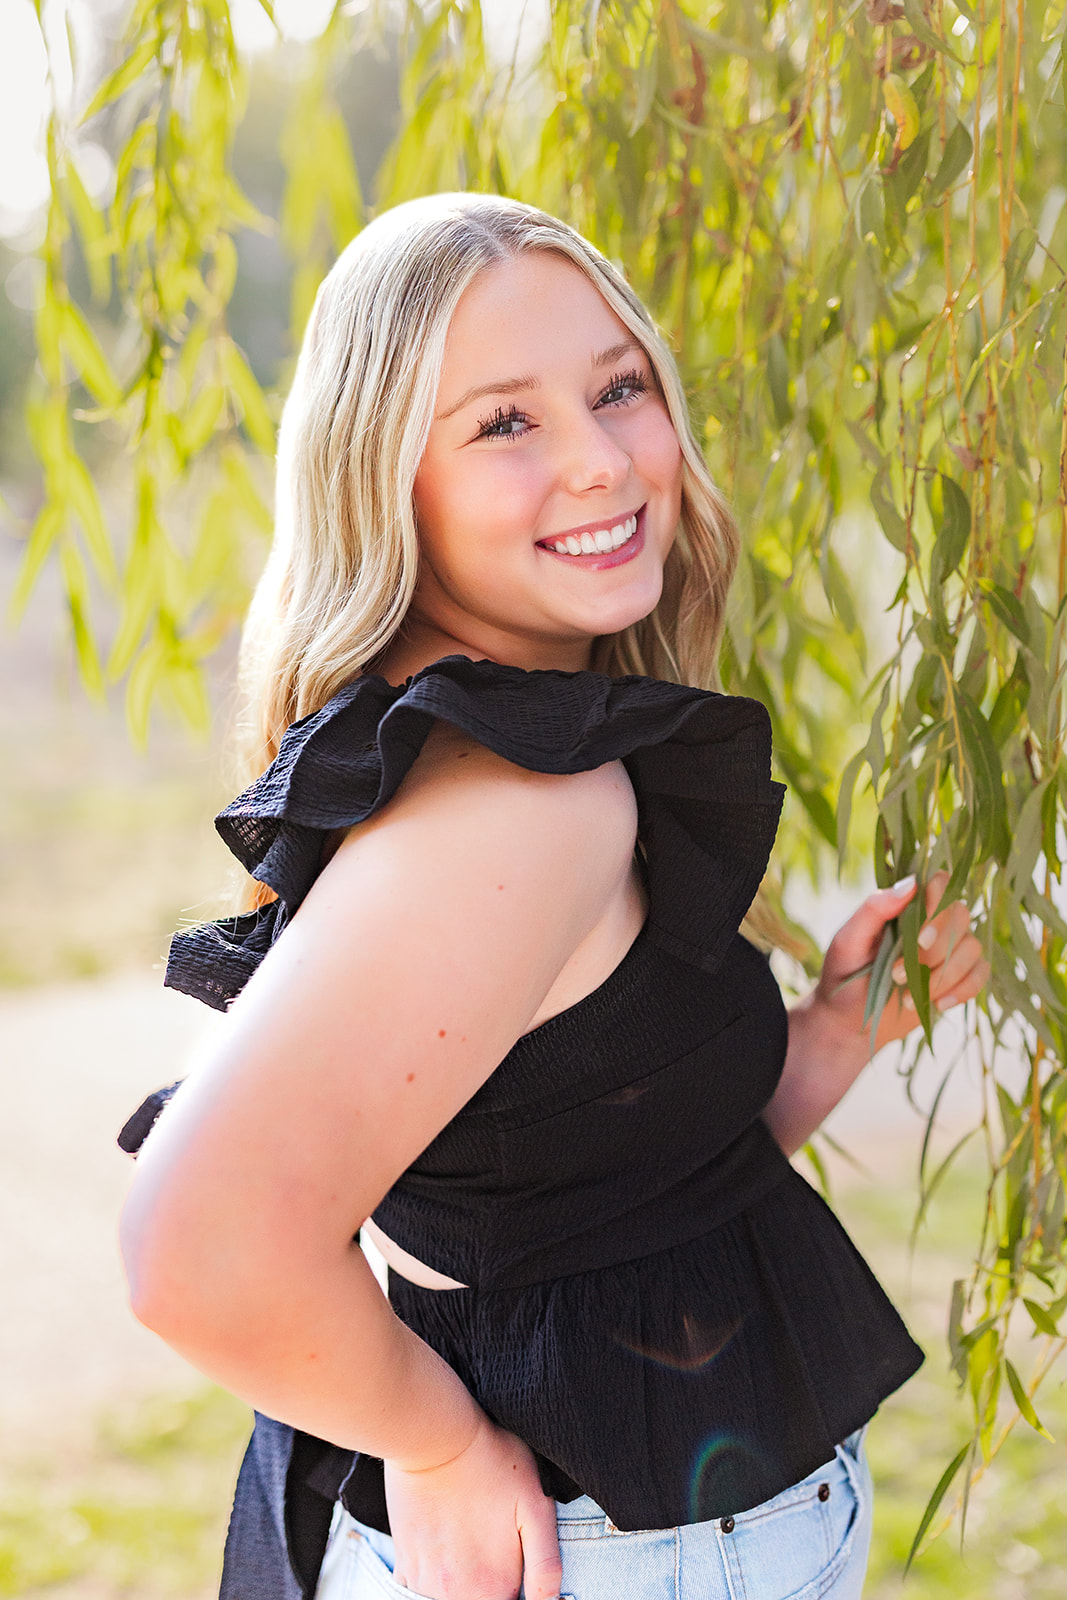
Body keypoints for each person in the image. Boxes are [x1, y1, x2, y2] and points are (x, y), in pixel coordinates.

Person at [118, 193, 989, 1600]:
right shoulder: (524, 804)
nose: (602, 462)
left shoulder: (443, 745)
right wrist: (444, 1448)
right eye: (505, 423)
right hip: (608, 1553)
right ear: (385, 476)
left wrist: (828, 1032)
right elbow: (196, 1247)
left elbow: (549, 1206)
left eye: (618, 387)